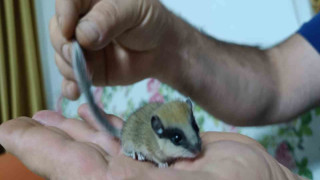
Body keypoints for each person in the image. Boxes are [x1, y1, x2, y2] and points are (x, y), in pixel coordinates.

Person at [1, 0, 319, 179]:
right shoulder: (150, 136)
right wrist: (169, 48)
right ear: (159, 132)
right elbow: (278, 80)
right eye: (180, 138)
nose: (195, 147)